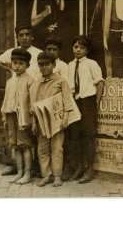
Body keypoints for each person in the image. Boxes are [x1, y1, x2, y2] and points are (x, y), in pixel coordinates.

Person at [0, 24, 41, 176]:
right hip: (14, 101)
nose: (24, 37)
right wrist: (11, 68)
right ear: (17, 37)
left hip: (30, 96)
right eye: (21, 35)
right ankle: (16, 168)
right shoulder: (12, 53)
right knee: (13, 141)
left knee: (28, 140)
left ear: (32, 36)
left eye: (27, 34)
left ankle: (32, 170)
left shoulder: (37, 53)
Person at [30, 52, 73, 187]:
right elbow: (34, 105)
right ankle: (46, 175)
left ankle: (57, 176)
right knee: (42, 149)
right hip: (42, 121)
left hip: (57, 120)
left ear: (54, 65)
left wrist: (65, 118)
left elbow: (67, 101)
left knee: (57, 148)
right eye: (40, 65)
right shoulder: (37, 83)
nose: (43, 68)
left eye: (47, 64)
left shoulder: (61, 81)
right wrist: (34, 122)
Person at [68, 35, 104, 183]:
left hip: (88, 102)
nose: (78, 50)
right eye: (76, 47)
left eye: (82, 47)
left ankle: (90, 169)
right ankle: (79, 167)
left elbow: (100, 83)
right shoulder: (70, 65)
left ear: (87, 50)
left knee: (88, 135)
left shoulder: (92, 64)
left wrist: (96, 102)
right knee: (75, 136)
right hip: (74, 102)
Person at [1, 48, 34, 185]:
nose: (17, 66)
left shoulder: (30, 80)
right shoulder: (10, 82)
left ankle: (27, 173)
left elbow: (32, 101)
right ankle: (19, 171)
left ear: (27, 65)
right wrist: (4, 116)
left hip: (23, 118)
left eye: (21, 63)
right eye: (15, 63)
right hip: (11, 116)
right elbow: (6, 100)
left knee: (25, 145)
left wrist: (32, 119)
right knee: (15, 146)